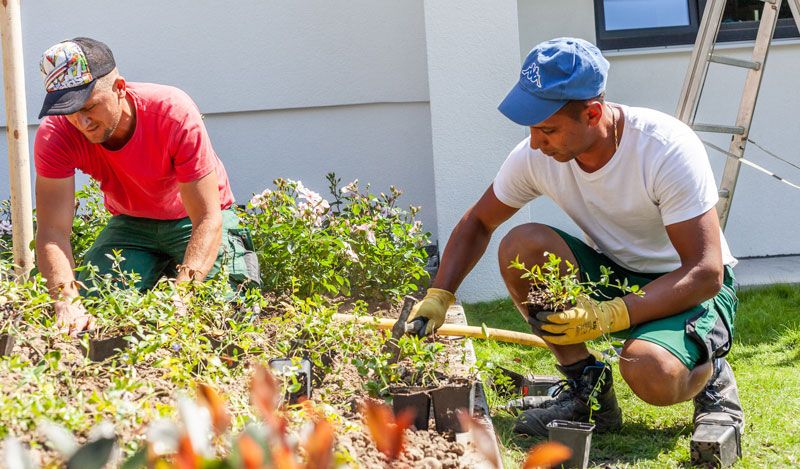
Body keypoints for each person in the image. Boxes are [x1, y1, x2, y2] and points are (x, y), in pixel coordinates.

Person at [406, 37, 743, 450]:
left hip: (688, 287)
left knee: (650, 372)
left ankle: (713, 374)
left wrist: (612, 313)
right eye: (531, 128)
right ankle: (588, 392)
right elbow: (478, 221)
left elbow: (705, 270)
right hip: (613, 270)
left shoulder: (663, 147)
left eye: (547, 129)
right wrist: (441, 293)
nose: (534, 143)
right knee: (522, 247)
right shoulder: (538, 155)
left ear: (593, 113)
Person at [34, 37, 260, 336]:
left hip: (193, 220)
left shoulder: (172, 112)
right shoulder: (57, 133)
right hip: (131, 224)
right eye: (69, 110)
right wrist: (66, 301)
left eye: (89, 106)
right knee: (95, 308)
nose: (82, 121)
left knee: (224, 310)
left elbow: (207, 217)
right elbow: (52, 231)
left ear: (119, 88)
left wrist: (182, 297)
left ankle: (173, 280)